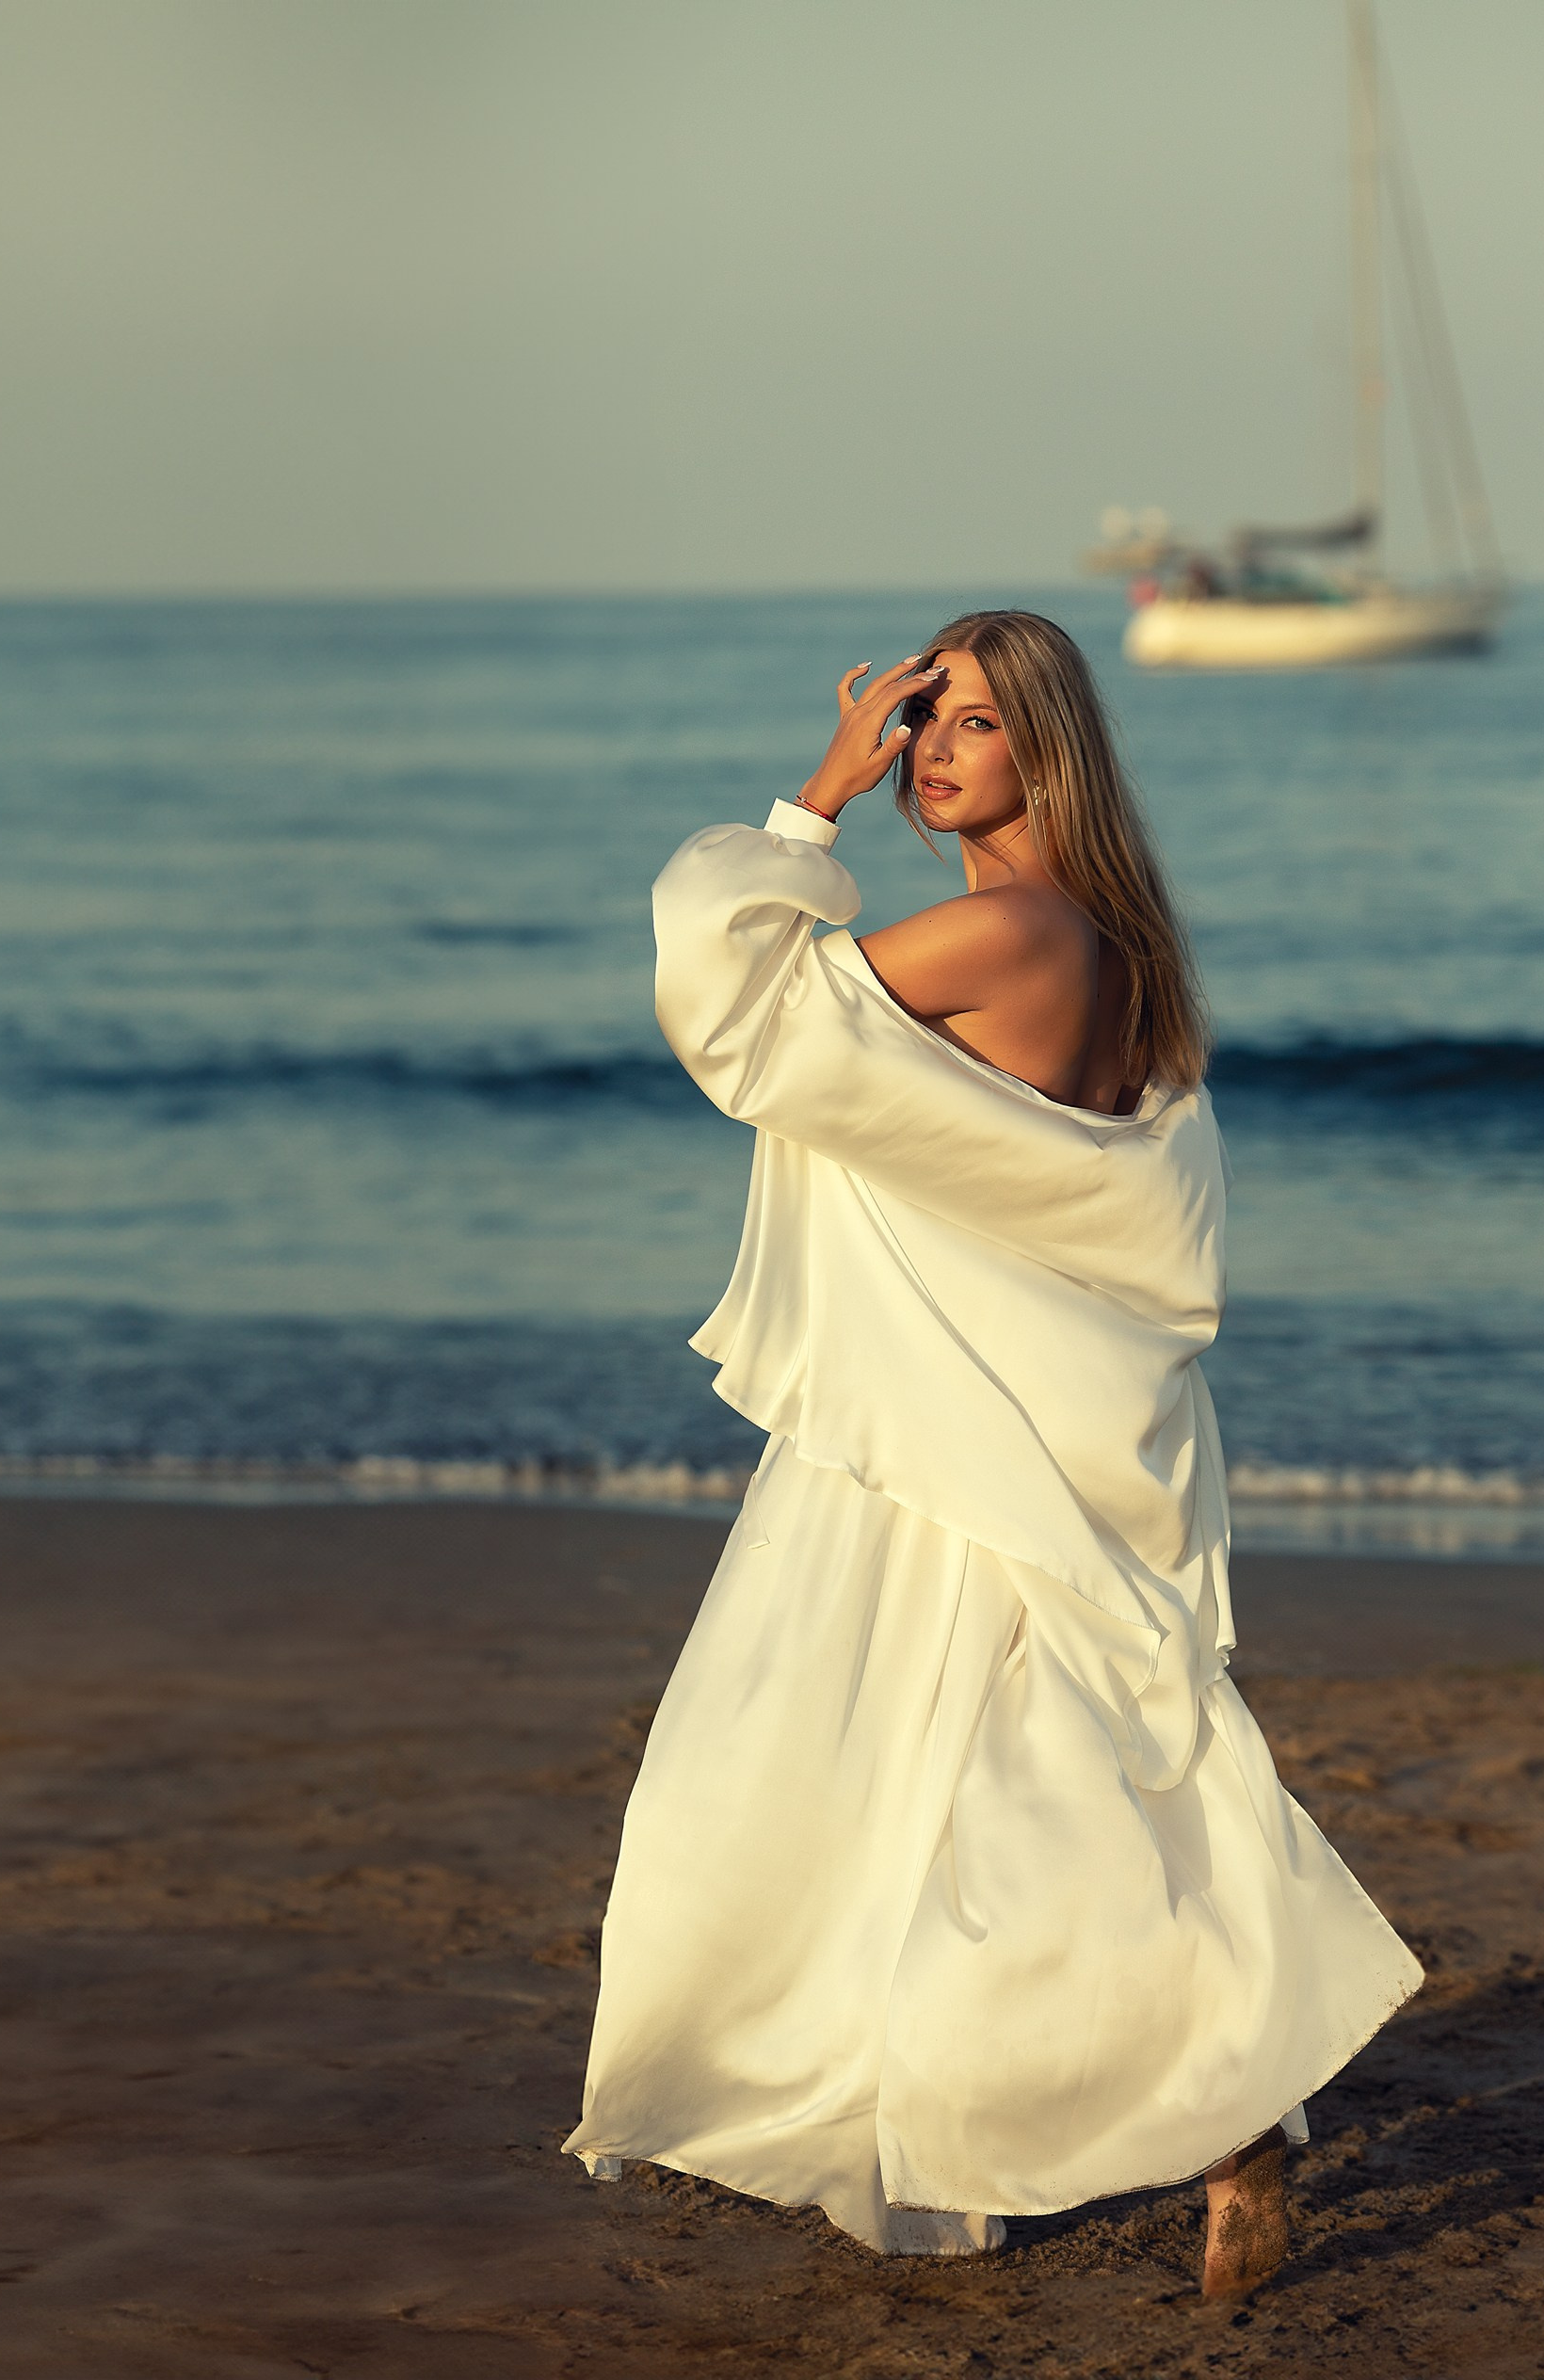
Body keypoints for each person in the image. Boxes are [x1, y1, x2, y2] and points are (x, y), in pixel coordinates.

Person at [564, 610, 1421, 2295]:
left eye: (964, 722)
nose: (926, 750)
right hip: (1051, 1418)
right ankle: (1209, 2117)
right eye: (913, 724)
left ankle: (1185, 2105)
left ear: (1050, 748)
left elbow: (741, 1014)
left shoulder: (1002, 931)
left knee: (830, 1771)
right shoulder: (1112, 936)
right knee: (1042, 1786)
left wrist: (810, 800)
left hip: (965, 1437)